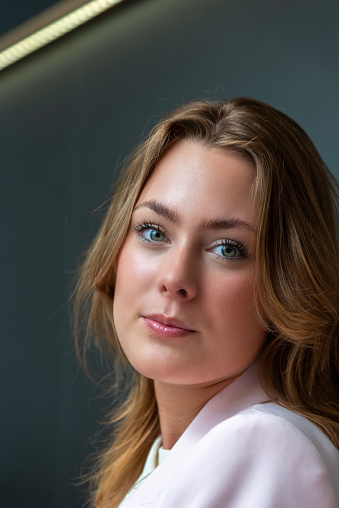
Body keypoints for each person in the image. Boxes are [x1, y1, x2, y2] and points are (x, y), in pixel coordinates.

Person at [74, 98, 339, 508]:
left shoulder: (261, 448)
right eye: (154, 232)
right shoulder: (166, 456)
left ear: (288, 285)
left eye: (228, 249)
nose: (175, 279)